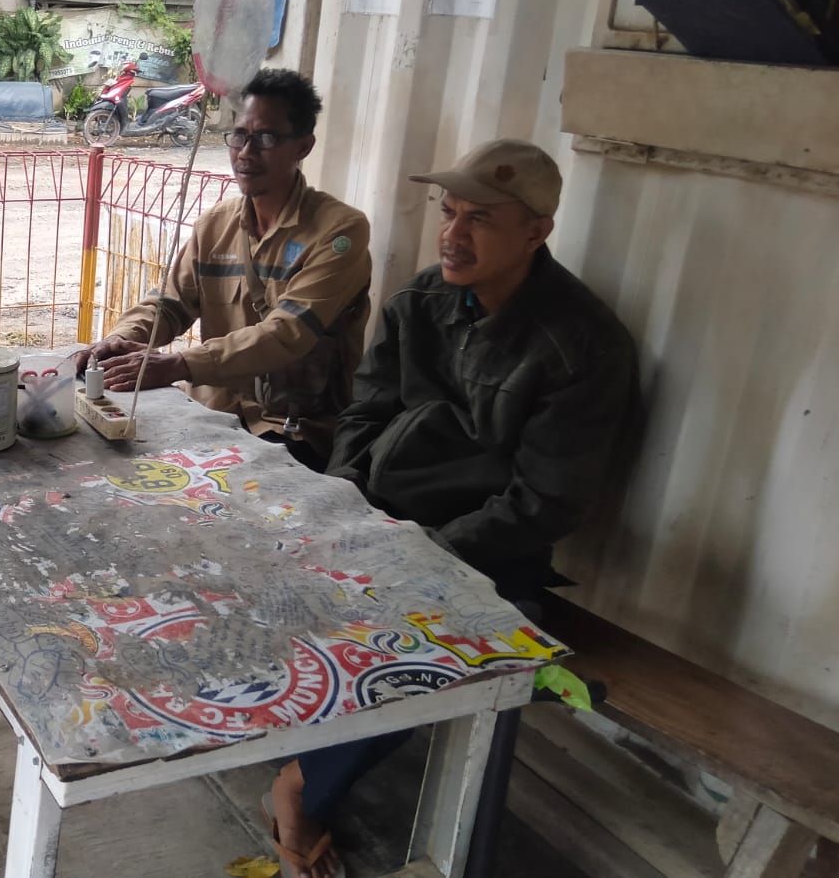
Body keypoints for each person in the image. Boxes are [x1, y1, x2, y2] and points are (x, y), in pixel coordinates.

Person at [266, 139, 638, 878]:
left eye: (481, 219)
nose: (453, 235)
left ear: (536, 232)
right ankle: (283, 737)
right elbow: (365, 416)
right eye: (449, 211)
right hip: (382, 519)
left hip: (488, 550)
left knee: (432, 646)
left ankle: (304, 783)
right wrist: (346, 510)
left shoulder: (581, 346)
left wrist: (426, 554)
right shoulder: (421, 302)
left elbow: (544, 501)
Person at [73, 68, 372, 469]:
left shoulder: (339, 232)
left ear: (303, 146)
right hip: (209, 415)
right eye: (240, 135)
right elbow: (169, 304)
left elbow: (287, 333)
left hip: (291, 430)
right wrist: (119, 341)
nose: (246, 153)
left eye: (266, 138)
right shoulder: (215, 224)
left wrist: (180, 364)